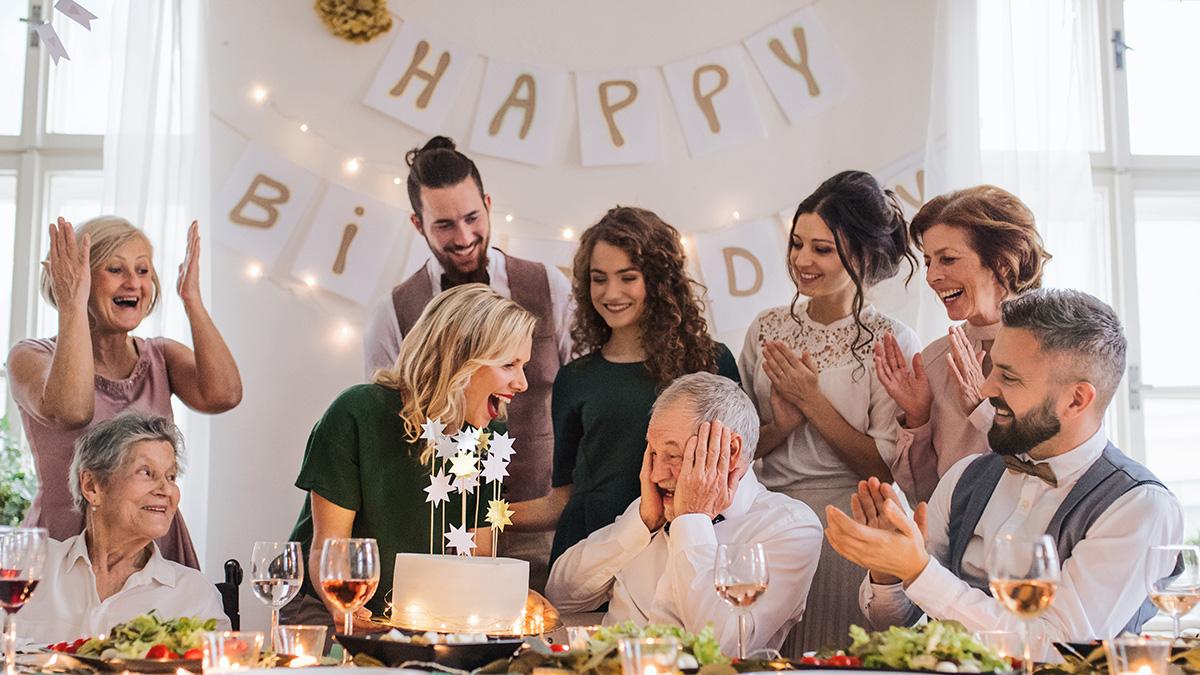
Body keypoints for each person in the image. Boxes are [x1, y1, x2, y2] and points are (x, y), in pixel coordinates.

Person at [826, 289, 1183, 659]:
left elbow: (1059, 650)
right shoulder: (967, 475)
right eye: (993, 367)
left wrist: (919, 570)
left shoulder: (1139, 506)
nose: (986, 387)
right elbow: (891, 620)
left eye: (1009, 378)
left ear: (1077, 400)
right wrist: (889, 570)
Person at [362, 136, 571, 589]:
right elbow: (386, 431)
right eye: (444, 225)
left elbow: (581, 402)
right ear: (418, 224)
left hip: (544, 535)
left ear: (489, 205)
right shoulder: (393, 311)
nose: (463, 237)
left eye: (473, 217)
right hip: (438, 535)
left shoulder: (548, 286)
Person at [738, 170, 920, 652]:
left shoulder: (891, 340)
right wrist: (783, 424)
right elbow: (739, 451)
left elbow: (884, 468)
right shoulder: (765, 329)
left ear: (860, 253)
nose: (802, 260)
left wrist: (813, 402)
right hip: (766, 520)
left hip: (850, 523)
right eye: (797, 244)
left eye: (822, 249)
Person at [283, 284, 535, 631]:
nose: (521, 383)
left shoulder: (488, 436)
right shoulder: (358, 413)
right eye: (509, 365)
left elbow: (475, 555)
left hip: (428, 618)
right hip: (329, 610)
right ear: (459, 360)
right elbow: (329, 550)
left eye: (523, 366)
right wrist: (347, 613)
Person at [510, 207, 740, 565]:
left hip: (679, 549)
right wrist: (487, 519)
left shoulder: (709, 362)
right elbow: (563, 498)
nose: (611, 292)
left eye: (627, 277)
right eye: (599, 278)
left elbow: (736, 466)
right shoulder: (574, 379)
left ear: (660, 280)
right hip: (589, 556)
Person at [8, 217, 241, 568]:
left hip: (154, 544)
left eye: (143, 270)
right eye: (115, 269)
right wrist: (72, 304)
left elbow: (224, 395)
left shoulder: (161, 356)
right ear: (79, 278)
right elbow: (72, 411)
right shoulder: (31, 356)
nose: (133, 282)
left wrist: (192, 300)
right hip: (63, 545)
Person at [546, 373, 821, 655]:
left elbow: (723, 645)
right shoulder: (652, 508)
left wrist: (692, 519)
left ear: (731, 451)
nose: (656, 473)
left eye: (674, 456)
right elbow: (561, 597)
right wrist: (639, 525)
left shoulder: (790, 527)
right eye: (653, 453)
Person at [875, 186, 1051, 504]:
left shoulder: (1056, 352)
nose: (931, 277)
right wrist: (917, 419)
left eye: (948, 259)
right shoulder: (933, 360)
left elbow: (1054, 473)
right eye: (928, 261)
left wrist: (981, 410)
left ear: (1002, 262)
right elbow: (925, 494)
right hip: (951, 546)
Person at [21, 413, 229, 642]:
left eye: (171, 477)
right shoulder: (28, 569)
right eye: (146, 473)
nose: (166, 490)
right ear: (92, 487)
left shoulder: (193, 594)